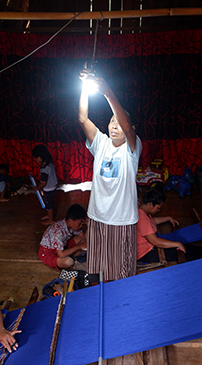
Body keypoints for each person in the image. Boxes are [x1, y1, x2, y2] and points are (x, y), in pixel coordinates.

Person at [78, 66, 142, 281]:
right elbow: (82, 118)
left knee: (121, 270)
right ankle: (98, 297)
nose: (115, 126)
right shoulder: (101, 143)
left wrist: (108, 93)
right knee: (97, 266)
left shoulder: (132, 148)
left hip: (122, 219)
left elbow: (127, 127)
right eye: (111, 121)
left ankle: (122, 303)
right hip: (97, 216)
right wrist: (85, 88)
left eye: (119, 122)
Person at [137, 189, 186, 263]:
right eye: (158, 208)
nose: (158, 210)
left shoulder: (141, 209)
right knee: (179, 253)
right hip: (145, 253)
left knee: (180, 248)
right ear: (151, 204)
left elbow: (152, 221)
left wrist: (168, 218)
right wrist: (178, 244)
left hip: (148, 247)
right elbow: (155, 241)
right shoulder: (142, 218)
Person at [38, 204, 87, 270]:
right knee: (68, 262)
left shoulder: (68, 224)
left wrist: (89, 225)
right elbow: (61, 254)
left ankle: (73, 257)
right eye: (79, 223)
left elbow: (83, 238)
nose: (81, 226)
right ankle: (71, 262)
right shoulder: (57, 232)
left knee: (80, 239)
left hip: (62, 247)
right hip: (49, 253)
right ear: (70, 221)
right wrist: (79, 246)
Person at [31, 145, 58, 225]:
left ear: (41, 157)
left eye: (36, 157)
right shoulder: (50, 164)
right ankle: (49, 216)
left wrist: (37, 188)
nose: (35, 159)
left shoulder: (44, 169)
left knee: (48, 205)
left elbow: (44, 182)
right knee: (50, 203)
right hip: (54, 188)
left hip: (48, 190)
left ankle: (51, 220)